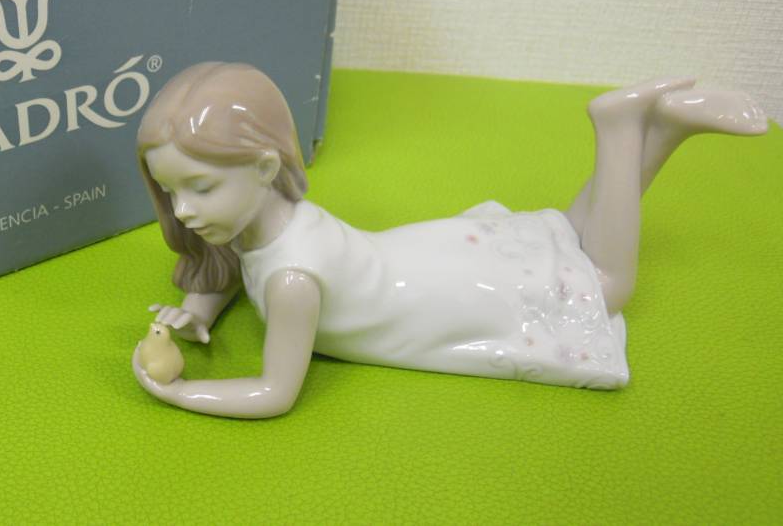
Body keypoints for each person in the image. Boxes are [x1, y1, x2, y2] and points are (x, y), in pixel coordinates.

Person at [131, 62, 767, 418]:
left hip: (444, 296)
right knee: (565, 234)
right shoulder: (265, 221)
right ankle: (664, 130)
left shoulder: (293, 281)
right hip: (422, 253)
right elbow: (231, 261)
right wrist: (197, 311)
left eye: (201, 188)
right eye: (171, 191)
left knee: (606, 286)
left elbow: (274, 394)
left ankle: (621, 131)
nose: (183, 211)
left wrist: (179, 391)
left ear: (266, 167)